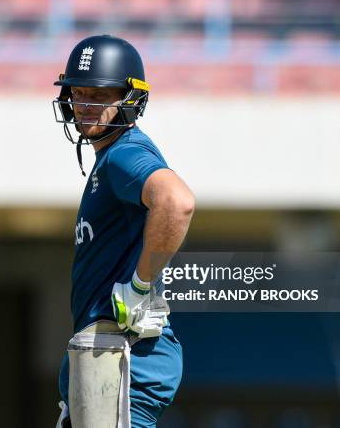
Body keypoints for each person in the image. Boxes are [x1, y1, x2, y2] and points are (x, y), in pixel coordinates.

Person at [52, 35, 194, 428]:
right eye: (78, 93)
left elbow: (177, 201)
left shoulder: (124, 155)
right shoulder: (109, 160)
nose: (84, 106)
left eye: (99, 95)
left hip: (125, 360)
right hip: (109, 362)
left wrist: (141, 286)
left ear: (131, 99)